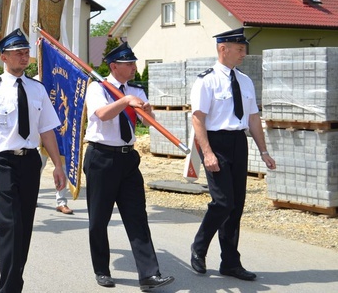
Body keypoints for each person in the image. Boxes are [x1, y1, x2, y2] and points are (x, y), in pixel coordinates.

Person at [0, 28, 67, 293]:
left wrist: (58, 165)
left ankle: (14, 283)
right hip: (2, 163)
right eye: (19, 53)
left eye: (26, 53)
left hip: (30, 162)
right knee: (10, 226)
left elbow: (47, 130)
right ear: (4, 57)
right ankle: (9, 289)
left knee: (24, 227)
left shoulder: (38, 89)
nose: (25, 57)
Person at [83, 42, 174, 290]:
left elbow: (148, 123)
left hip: (128, 158)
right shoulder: (98, 88)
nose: (135, 67)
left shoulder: (135, 90)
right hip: (101, 157)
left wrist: (146, 111)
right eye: (129, 63)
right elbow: (102, 114)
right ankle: (101, 269)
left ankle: (149, 274)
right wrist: (125, 101)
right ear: (114, 66)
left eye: (134, 62)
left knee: (137, 217)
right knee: (99, 218)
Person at [189, 28, 276, 281]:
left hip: (239, 142)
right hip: (215, 142)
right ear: (222, 49)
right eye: (239, 49)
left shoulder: (245, 81)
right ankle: (199, 248)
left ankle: (230, 262)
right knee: (223, 202)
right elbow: (198, 119)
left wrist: (264, 151)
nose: (243, 54)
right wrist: (207, 152)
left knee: (236, 206)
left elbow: (253, 118)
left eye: (244, 49)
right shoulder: (206, 80)